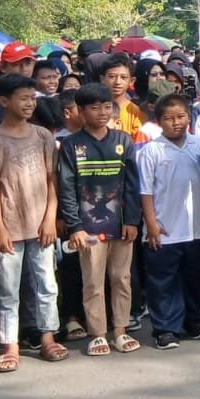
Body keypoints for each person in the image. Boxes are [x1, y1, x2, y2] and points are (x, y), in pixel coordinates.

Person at [0, 75, 64, 368]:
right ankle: (10, 345)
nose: (30, 104)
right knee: (8, 289)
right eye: (23, 98)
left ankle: (48, 337)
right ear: (4, 101)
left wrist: (50, 217)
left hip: (41, 224)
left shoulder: (43, 136)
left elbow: (52, 181)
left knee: (47, 284)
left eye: (32, 98)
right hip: (9, 226)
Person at [58, 83, 143, 356]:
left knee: (121, 278)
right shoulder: (71, 145)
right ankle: (97, 334)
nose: (102, 112)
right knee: (93, 282)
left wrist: (132, 221)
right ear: (81, 111)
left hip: (121, 224)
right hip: (88, 228)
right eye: (95, 108)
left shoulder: (123, 141)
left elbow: (133, 185)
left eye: (107, 107)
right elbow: (66, 187)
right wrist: (75, 226)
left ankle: (120, 330)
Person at [138, 93, 200, 349]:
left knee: (195, 277)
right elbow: (145, 191)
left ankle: (195, 321)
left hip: (196, 228)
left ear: (189, 118)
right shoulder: (152, 150)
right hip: (164, 228)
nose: (176, 123)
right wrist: (151, 224)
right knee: (163, 281)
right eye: (169, 118)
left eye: (181, 116)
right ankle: (165, 329)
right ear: (159, 121)